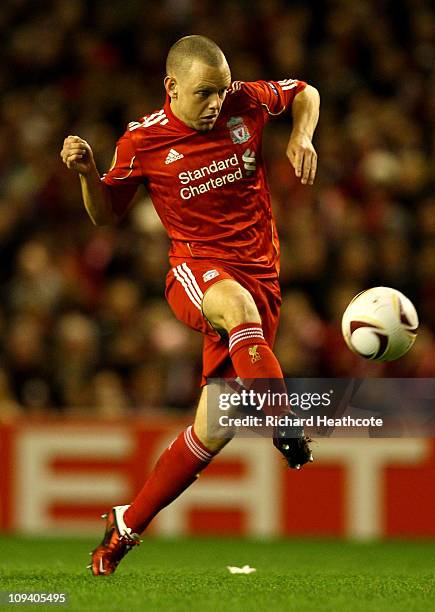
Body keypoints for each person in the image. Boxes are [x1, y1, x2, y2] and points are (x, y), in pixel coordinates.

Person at [60, 35, 320, 576]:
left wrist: (301, 135)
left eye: (222, 91)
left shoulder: (244, 100)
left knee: (215, 426)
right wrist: (88, 174)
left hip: (263, 276)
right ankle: (284, 419)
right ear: (171, 88)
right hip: (197, 272)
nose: (216, 104)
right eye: (204, 93)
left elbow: (305, 92)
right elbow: (105, 215)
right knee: (236, 306)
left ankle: (125, 525)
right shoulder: (142, 140)